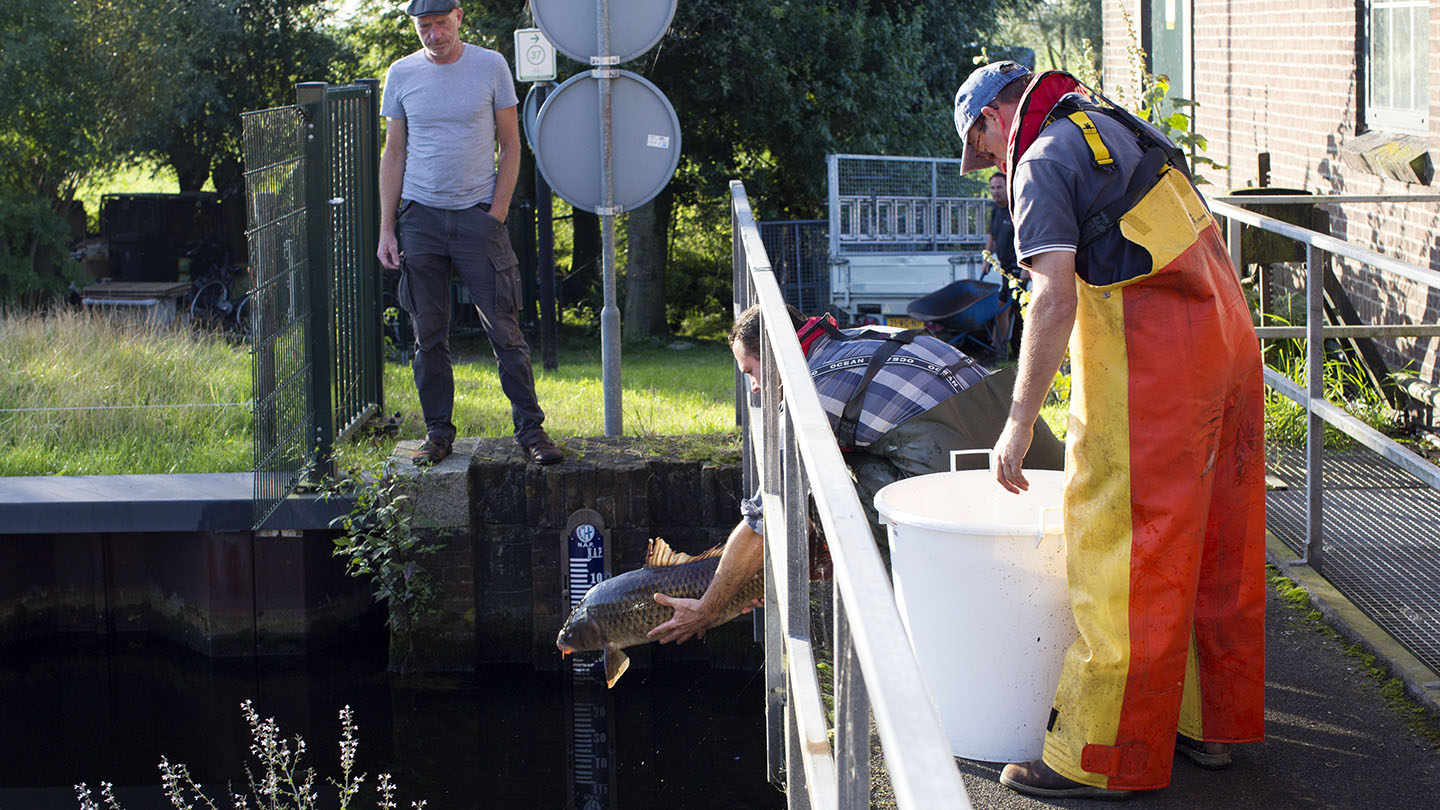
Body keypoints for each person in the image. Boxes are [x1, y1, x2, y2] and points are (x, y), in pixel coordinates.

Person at [954, 61, 1266, 798]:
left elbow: (1053, 301)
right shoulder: (1113, 125)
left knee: (1124, 553)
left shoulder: (1040, 162)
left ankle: (1102, 757)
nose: (994, 166)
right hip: (1229, 343)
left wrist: (1018, 424)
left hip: (1158, 365)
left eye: (986, 152)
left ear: (989, 122)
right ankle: (1209, 723)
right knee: (1216, 541)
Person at [647, 303, 1066, 644]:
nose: (754, 389)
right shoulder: (865, 336)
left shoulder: (809, 394)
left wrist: (708, 607)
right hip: (1040, 459)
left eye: (751, 373)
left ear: (775, 354)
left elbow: (764, 518)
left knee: (817, 494)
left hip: (984, 484)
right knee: (845, 461)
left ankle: (905, 619)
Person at [377, 0, 562, 466]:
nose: (434, 35)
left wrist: (495, 213)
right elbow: (393, 153)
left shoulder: (490, 66)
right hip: (419, 218)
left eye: (441, 24)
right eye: (424, 27)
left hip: (478, 216)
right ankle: (438, 434)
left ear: (459, 17)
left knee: (504, 328)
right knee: (428, 334)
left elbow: (511, 143)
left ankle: (531, 431)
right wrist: (387, 228)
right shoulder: (401, 74)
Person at [984, 172, 1027, 360]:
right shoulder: (995, 210)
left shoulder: (1016, 209)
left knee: (1006, 309)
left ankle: (999, 349)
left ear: (1007, 187)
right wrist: (986, 258)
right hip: (1004, 269)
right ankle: (1006, 349)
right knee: (1010, 311)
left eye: (999, 187)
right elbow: (992, 236)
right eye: (993, 188)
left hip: (1017, 269)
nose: (996, 192)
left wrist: (1027, 266)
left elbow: (1027, 236)